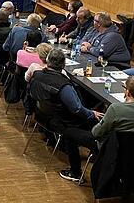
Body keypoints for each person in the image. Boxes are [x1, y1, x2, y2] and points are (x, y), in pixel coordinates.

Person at [28, 49, 104, 182]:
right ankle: (85, 163)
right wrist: (92, 113)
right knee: (99, 121)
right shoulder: (63, 86)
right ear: (63, 65)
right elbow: (77, 109)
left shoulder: (36, 75)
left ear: (47, 61)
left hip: (41, 115)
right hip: (62, 122)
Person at [58, 76, 134, 183]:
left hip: (108, 146)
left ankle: (75, 173)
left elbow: (96, 133)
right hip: (131, 148)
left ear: (128, 92)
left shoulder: (115, 108)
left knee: (69, 133)